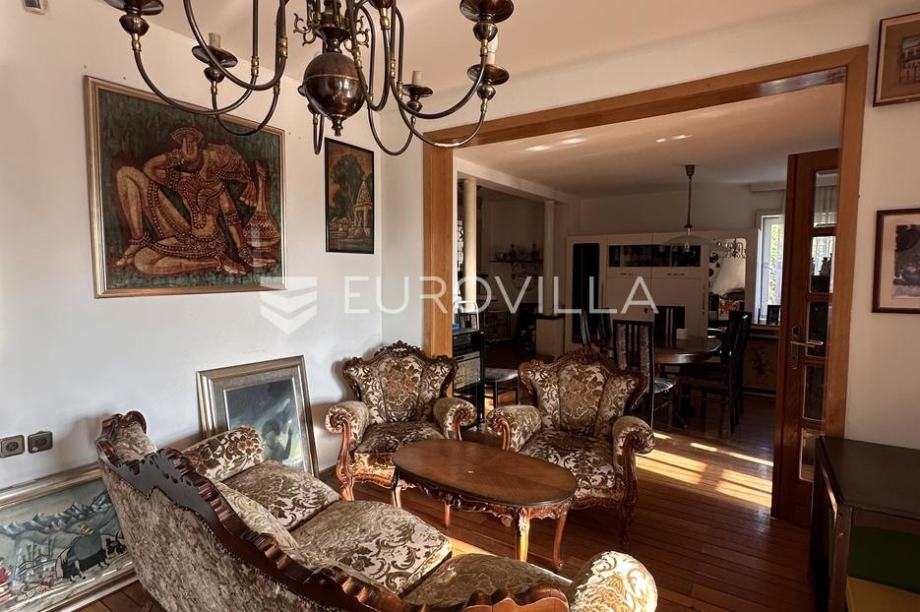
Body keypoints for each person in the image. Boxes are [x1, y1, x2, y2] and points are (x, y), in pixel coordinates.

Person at [112, 126, 271, 276]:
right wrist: (179, 157)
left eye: (192, 142)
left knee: (142, 261)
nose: (187, 146)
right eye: (184, 143)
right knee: (126, 174)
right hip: (188, 236)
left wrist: (246, 255)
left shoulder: (219, 189)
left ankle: (216, 262)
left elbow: (232, 222)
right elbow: (149, 169)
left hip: (208, 245)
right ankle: (138, 240)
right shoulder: (185, 181)